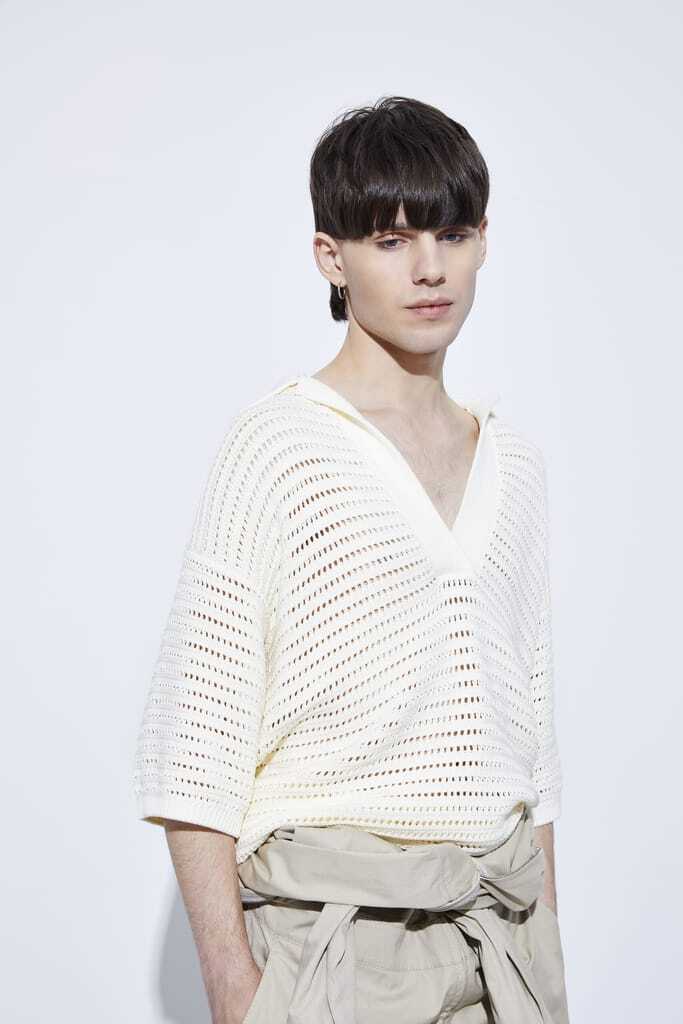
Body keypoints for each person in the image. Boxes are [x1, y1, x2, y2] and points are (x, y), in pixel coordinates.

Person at [132, 95, 570, 1023]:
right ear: (331, 257)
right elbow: (195, 743)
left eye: (452, 235)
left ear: (483, 242)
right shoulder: (280, 446)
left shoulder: (515, 464)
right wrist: (235, 993)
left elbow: (529, 747)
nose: (428, 268)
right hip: (330, 944)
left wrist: (547, 963)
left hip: (500, 942)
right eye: (390, 240)